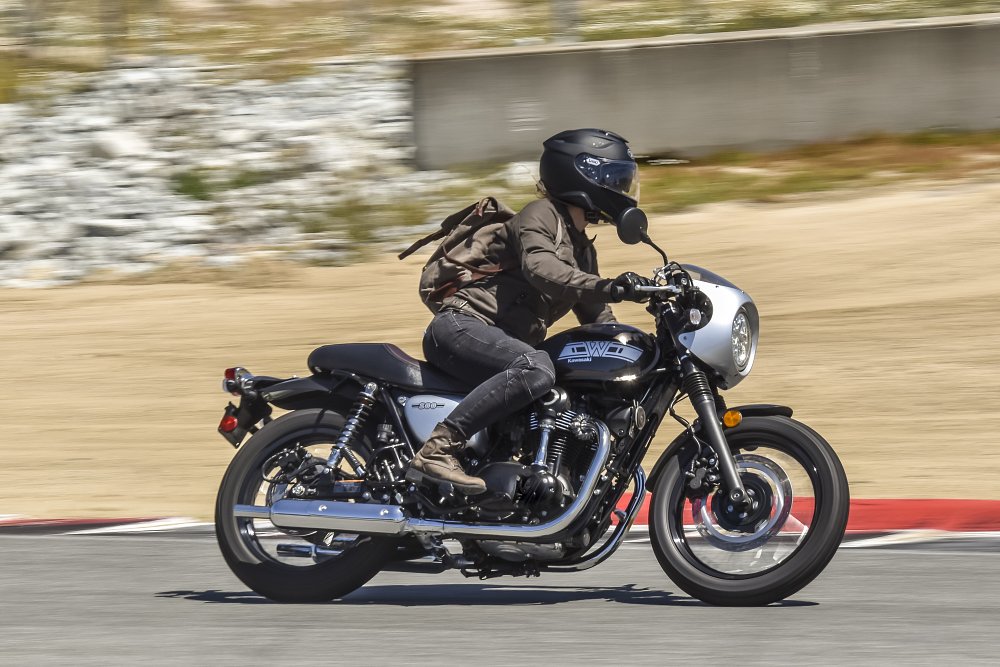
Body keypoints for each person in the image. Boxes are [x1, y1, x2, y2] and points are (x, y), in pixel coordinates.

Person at [406, 128, 653, 495]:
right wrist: (611, 286)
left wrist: (636, 351)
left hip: (501, 342)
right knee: (536, 367)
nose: (620, 188)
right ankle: (438, 449)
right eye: (614, 179)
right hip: (463, 326)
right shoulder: (540, 215)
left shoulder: (582, 248)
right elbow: (544, 271)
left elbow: (599, 320)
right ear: (580, 175)